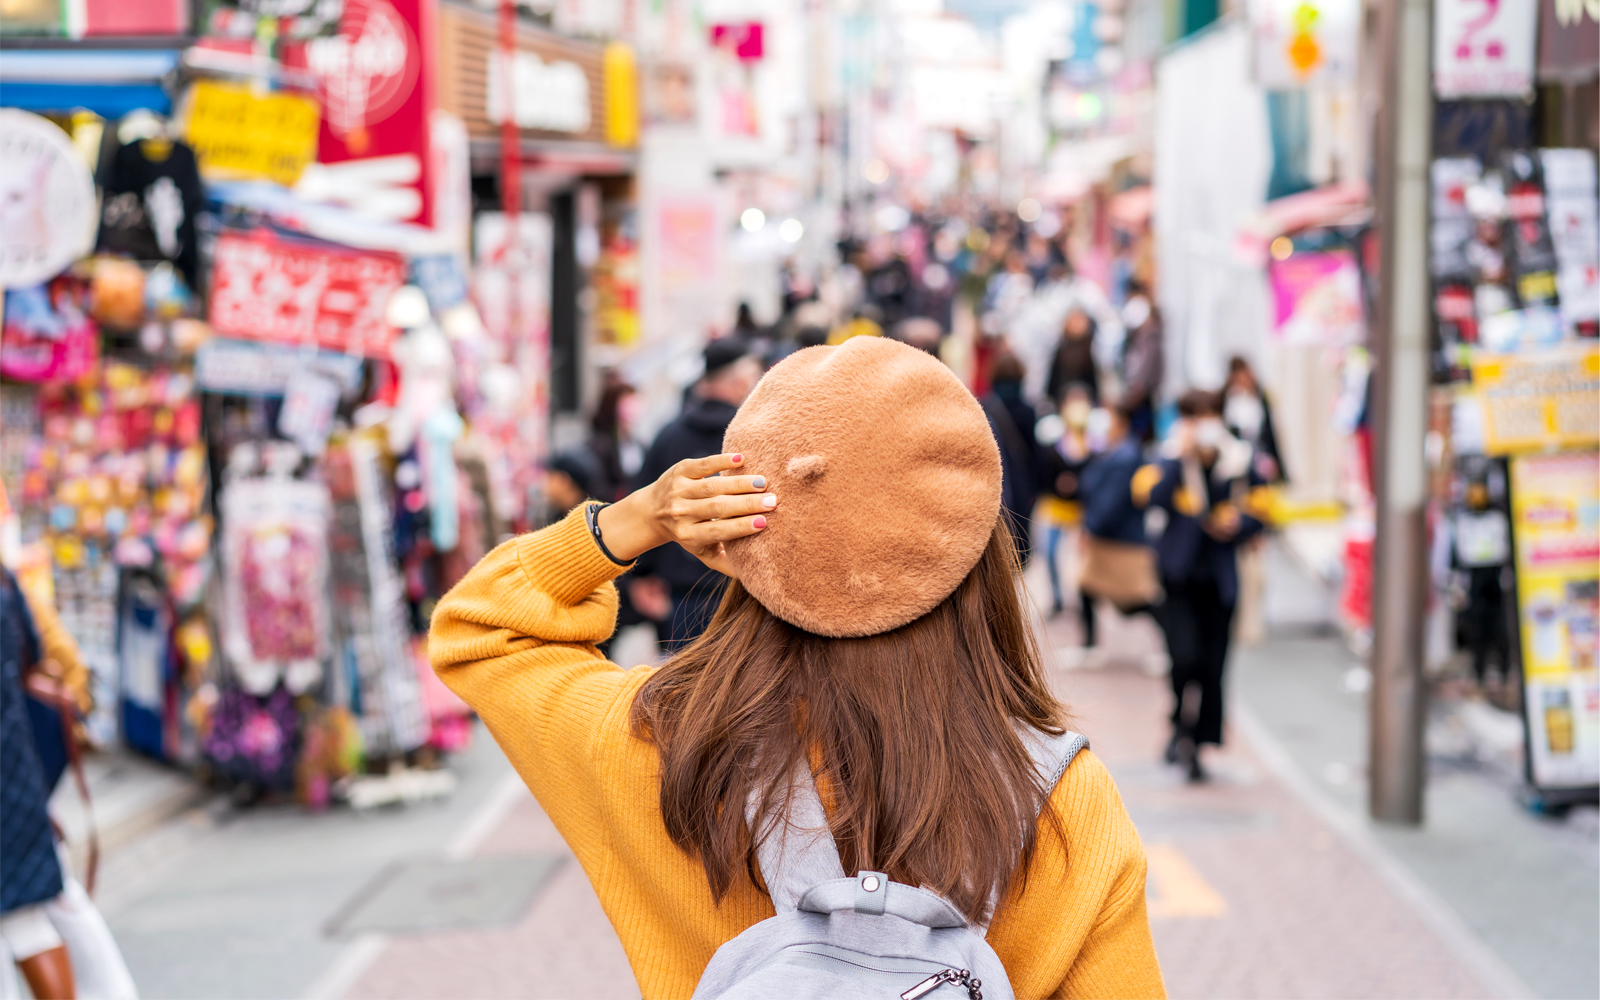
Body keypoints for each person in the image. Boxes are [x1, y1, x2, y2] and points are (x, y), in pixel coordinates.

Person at [430, 337, 1164, 998]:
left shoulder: (657, 749)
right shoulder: (1057, 801)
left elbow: (478, 626)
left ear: (743, 536)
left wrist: (640, 519)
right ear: (980, 556)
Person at [1140, 390, 1269, 782]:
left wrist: (1239, 525)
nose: (1203, 425)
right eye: (1194, 417)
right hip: (1179, 577)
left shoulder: (1240, 462)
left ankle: (1195, 743)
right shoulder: (1169, 459)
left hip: (1220, 580)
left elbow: (1262, 513)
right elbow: (1154, 499)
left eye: (1209, 415)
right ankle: (1179, 719)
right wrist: (1181, 457)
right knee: (1184, 657)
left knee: (1213, 668)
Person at [631, 338, 764, 649]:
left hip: (683, 594)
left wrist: (642, 574)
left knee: (683, 690)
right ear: (741, 382)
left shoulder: (669, 434)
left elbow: (645, 502)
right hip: (745, 588)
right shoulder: (757, 436)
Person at [981, 349, 1041, 565]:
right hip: (1022, 482)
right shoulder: (1028, 411)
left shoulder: (984, 405)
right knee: (1018, 531)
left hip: (993, 479)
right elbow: (1034, 454)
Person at [1222, 355, 1285, 483]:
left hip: (1260, 448)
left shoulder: (1260, 398)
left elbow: (1269, 430)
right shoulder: (1230, 399)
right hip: (1238, 447)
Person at [1119, 282, 1164, 444]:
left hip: (1143, 395)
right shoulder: (1137, 335)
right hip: (1136, 391)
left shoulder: (1150, 337)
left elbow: (1145, 367)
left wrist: (1138, 388)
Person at [1046, 308, 1100, 407]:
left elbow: (1093, 381)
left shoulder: (1089, 348)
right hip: (1062, 400)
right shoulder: (1061, 349)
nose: (1078, 324)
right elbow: (1054, 380)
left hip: (1085, 400)